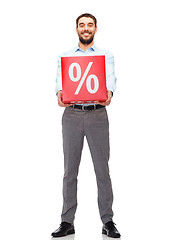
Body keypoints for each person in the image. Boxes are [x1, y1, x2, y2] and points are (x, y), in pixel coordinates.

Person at [51, 13, 121, 238]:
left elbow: (109, 83)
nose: (86, 28)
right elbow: (60, 86)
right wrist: (60, 94)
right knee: (70, 171)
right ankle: (67, 221)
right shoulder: (65, 56)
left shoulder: (105, 55)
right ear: (77, 29)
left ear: (96, 29)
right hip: (71, 115)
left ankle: (108, 221)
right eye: (82, 25)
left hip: (97, 115)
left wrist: (108, 93)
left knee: (102, 170)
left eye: (90, 25)